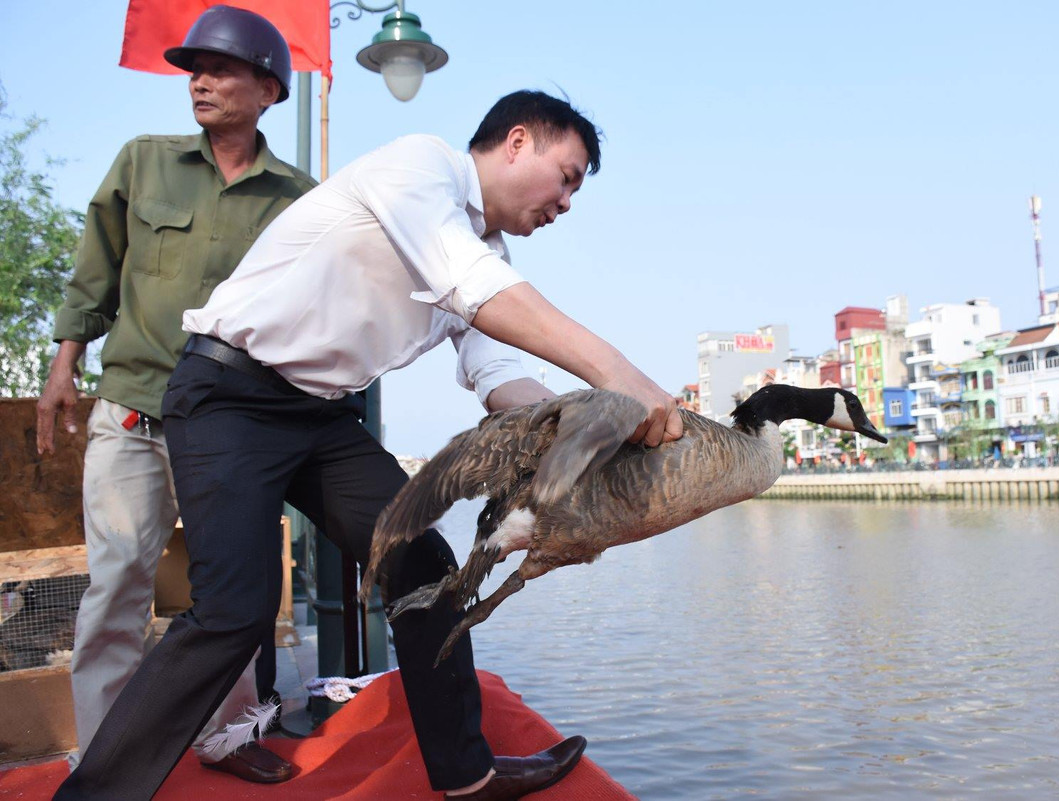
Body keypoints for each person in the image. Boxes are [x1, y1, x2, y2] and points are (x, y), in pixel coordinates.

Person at [55, 89, 682, 801]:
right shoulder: (421, 168)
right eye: (566, 177)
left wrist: (592, 424)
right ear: (516, 143)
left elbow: (500, 375)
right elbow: (471, 285)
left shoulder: (489, 253)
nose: (566, 203)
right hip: (226, 393)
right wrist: (619, 373)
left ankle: (466, 776)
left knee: (424, 565)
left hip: (317, 418)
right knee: (234, 611)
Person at [36, 5, 315, 784]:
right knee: (116, 584)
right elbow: (95, 268)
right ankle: (103, 755)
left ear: (267, 88)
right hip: (130, 410)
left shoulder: (301, 197)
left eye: (221, 68)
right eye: (193, 67)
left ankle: (227, 736)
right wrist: (65, 363)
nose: (199, 79)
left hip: (231, 429)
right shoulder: (143, 161)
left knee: (230, 593)